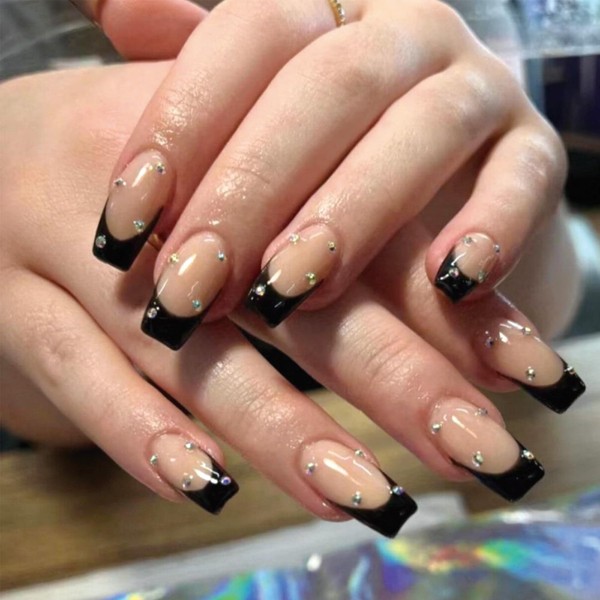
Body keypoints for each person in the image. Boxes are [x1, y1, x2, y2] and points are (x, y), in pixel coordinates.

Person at [0, 0, 586, 537]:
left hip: (476, 491)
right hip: (112, 521)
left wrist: (467, 193)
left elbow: (549, 310)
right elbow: (44, 420)